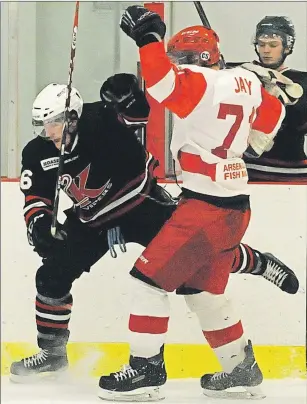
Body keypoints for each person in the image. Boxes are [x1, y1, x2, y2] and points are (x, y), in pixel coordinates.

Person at [10, 70, 297, 384]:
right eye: (44, 125)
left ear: (73, 116)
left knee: (194, 260)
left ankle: (258, 262)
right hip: (93, 220)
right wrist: (37, 224)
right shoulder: (38, 152)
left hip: (140, 204)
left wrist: (130, 94)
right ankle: (52, 354)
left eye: (55, 123)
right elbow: (35, 194)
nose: (49, 132)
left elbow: (137, 116)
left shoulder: (100, 120)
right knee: (51, 276)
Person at [97, 6, 287, 401]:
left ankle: (146, 369)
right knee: (204, 295)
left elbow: (163, 86)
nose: (177, 65)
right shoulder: (247, 82)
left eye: (180, 58)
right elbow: (271, 119)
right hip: (234, 209)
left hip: (205, 209)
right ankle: (241, 369)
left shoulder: (199, 81)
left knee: (146, 283)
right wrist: (260, 113)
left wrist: (148, 37)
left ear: (197, 59)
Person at [237, 16, 307, 182]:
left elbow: (297, 121)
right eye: (261, 44)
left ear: (287, 47)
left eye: (273, 45)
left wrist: (275, 94)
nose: (266, 50)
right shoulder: (244, 76)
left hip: (294, 171)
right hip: (250, 169)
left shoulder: (303, 81)